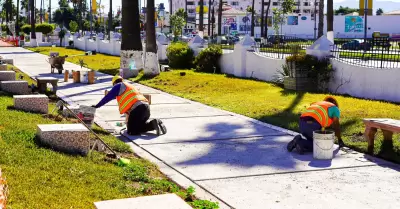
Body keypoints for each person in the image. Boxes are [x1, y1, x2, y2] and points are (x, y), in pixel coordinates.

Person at [92, 75, 167, 136]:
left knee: (131, 132)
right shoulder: (128, 86)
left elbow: (107, 98)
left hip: (138, 110)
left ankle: (153, 124)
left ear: (114, 83)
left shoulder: (118, 86)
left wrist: (97, 106)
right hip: (146, 109)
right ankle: (154, 123)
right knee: (138, 127)